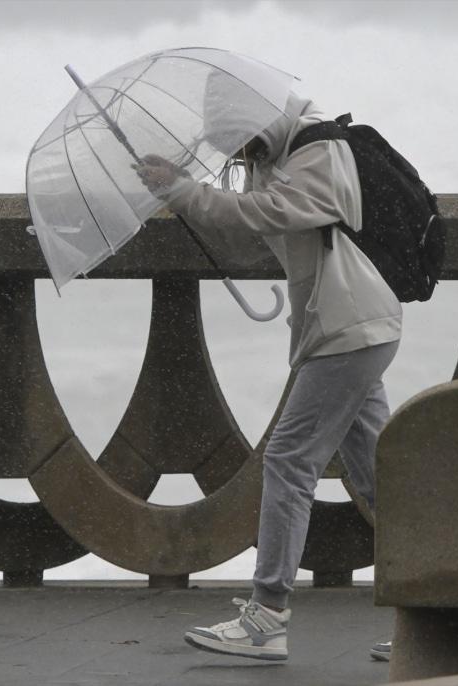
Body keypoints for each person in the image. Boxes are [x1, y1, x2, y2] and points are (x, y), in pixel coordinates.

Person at [134, 82, 402, 662]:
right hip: (347, 329)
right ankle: (438, 609)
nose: (237, 155)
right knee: (386, 481)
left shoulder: (319, 147)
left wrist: (183, 191)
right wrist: (179, 181)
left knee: (288, 459)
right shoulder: (280, 154)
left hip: (348, 331)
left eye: (237, 140)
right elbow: (250, 224)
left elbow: (266, 213)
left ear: (257, 120)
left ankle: (267, 614)